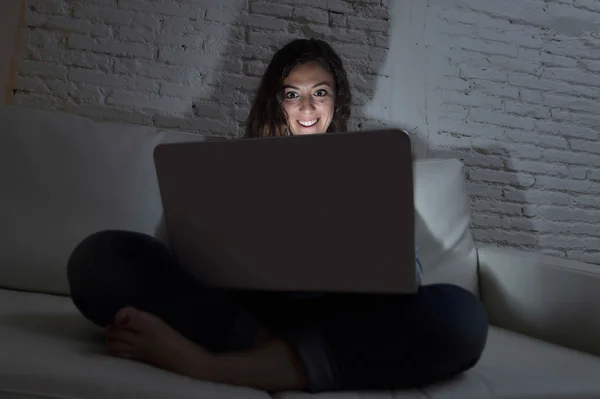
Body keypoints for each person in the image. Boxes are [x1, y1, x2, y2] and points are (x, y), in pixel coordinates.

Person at [67, 38, 488, 393]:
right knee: (99, 258)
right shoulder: (226, 166)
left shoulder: (367, 171)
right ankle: (277, 353)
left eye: (320, 92)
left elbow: (407, 278)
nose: (307, 107)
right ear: (276, 101)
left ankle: (213, 365)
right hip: (239, 314)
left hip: (336, 318)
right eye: (292, 94)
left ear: (336, 100)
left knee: (461, 316)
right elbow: (175, 253)